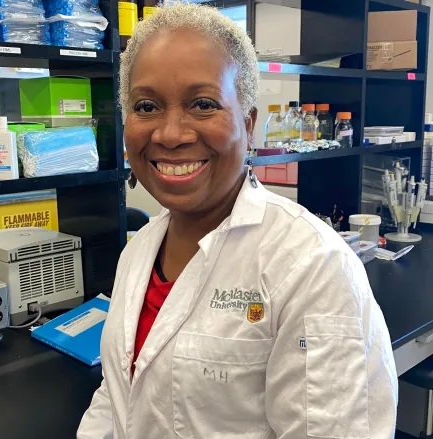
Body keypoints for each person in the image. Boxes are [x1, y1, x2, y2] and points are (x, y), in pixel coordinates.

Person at [78, 3, 398, 438]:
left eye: (203, 104)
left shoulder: (312, 267)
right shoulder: (137, 251)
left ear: (249, 126)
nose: (170, 134)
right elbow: (116, 395)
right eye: (147, 106)